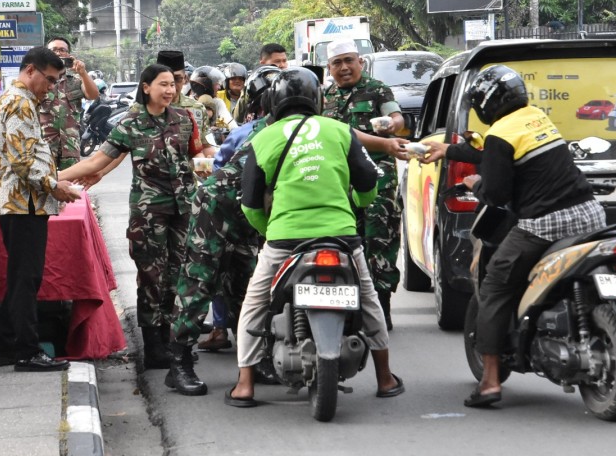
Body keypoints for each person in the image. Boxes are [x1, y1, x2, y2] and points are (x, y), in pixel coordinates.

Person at [420, 65, 606, 408]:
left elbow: (497, 192)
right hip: (591, 214)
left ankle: (490, 381)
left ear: (486, 103)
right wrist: (449, 151)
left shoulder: (499, 134)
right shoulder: (536, 118)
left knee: (494, 285)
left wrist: (476, 184)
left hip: (545, 224)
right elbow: (498, 157)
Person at [227, 67, 403, 407]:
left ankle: (245, 384)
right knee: (368, 298)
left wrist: (269, 231)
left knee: (255, 302)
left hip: (284, 240)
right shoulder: (340, 131)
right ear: (318, 100)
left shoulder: (262, 138)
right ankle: (384, 377)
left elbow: (249, 202)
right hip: (341, 237)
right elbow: (369, 180)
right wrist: (356, 205)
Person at [59, 64, 205, 369]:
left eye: (172, 85)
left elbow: (198, 154)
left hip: (184, 209)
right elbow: (101, 158)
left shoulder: (184, 119)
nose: (169, 90)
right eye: (162, 85)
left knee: (180, 275)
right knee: (153, 276)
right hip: (150, 211)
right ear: (146, 86)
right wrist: (54, 177)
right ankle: (153, 347)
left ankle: (174, 341)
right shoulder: (132, 123)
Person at [166, 65, 282, 396]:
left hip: (252, 214)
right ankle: (179, 364)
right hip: (218, 208)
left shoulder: (311, 129)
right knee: (200, 282)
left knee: (247, 288)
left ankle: (258, 360)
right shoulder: (259, 131)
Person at [0, 47, 77, 372]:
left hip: (17, 201)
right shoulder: (20, 102)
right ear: (30, 70)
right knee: (26, 278)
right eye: (49, 80)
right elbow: (23, 160)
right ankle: (26, 351)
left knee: (22, 277)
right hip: (22, 202)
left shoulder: (14, 99)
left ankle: (2, 344)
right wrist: (56, 187)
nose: (50, 87)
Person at [321, 38, 408, 329]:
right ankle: (347, 308)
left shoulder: (377, 89)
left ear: (360, 62)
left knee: (377, 238)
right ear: (329, 68)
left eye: (349, 61)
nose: (344, 68)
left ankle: (381, 307)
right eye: (337, 63)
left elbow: (396, 116)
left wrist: (392, 125)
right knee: (341, 241)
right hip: (337, 179)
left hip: (377, 175)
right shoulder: (325, 96)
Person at [39, 37, 99, 169]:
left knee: (70, 186)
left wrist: (83, 73)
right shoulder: (39, 79)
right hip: (44, 146)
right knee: (44, 186)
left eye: (62, 50)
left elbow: (93, 95)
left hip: (70, 145)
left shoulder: (76, 80)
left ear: (69, 55)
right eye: (53, 50)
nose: (58, 53)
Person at [153, 50, 216, 156]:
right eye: (164, 81)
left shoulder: (197, 108)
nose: (171, 86)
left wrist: (210, 163)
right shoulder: (140, 111)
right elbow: (117, 150)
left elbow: (206, 147)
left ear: (185, 79)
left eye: (176, 79)